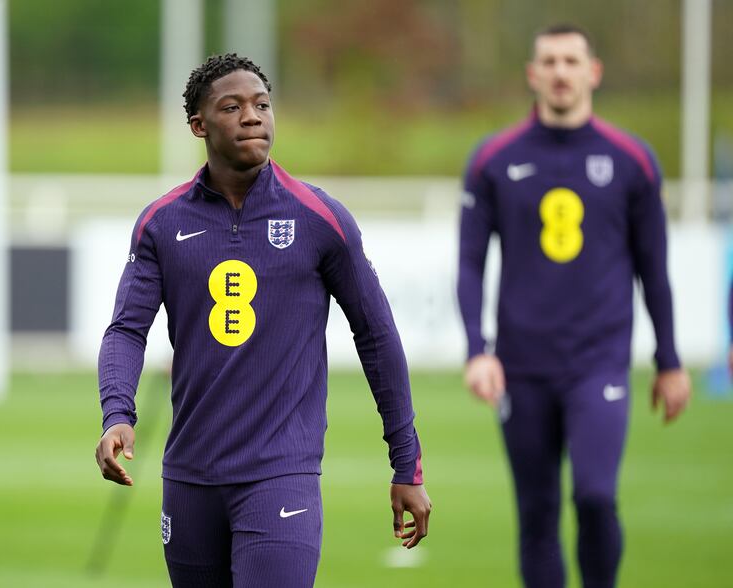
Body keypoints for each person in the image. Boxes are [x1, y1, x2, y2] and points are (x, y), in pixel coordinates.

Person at [94, 53, 431, 587]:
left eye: (262, 104)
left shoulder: (321, 218)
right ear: (199, 126)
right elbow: (126, 330)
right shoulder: (162, 223)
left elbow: (377, 335)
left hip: (281, 474)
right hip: (189, 479)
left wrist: (405, 462)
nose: (253, 116)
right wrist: (117, 413)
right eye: (233, 107)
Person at [457, 24, 691, 588]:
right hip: (522, 364)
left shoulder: (633, 160)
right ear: (533, 74)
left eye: (571, 61)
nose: (561, 72)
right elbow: (469, 264)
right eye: (550, 62)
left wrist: (669, 359)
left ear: (593, 72)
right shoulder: (493, 158)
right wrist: (477, 350)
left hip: (598, 362)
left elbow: (653, 269)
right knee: (537, 517)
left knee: (594, 496)